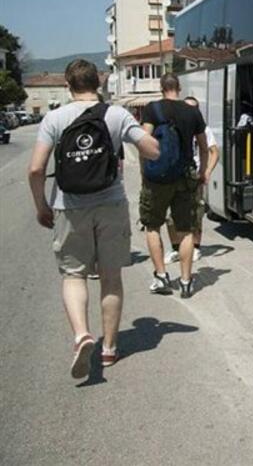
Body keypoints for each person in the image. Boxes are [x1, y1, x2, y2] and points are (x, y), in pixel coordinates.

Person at [27, 59, 160, 379]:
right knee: (111, 277)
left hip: (69, 206)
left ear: (68, 86)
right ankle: (110, 349)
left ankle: (82, 335)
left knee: (73, 276)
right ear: (99, 83)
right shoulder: (116, 114)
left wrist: (41, 205)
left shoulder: (54, 118)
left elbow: (35, 169)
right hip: (111, 203)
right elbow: (152, 150)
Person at [140, 74, 209, 299]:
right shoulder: (192, 111)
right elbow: (203, 145)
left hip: (157, 178)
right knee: (186, 229)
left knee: (152, 226)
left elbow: (144, 141)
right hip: (185, 176)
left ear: (161, 88)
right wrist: (203, 172)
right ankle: (186, 281)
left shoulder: (152, 109)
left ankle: (161, 276)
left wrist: (145, 170)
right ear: (179, 88)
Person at [165, 96, 219, 263]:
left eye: (194, 108)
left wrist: (207, 171)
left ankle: (195, 247)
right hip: (174, 174)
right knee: (170, 216)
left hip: (194, 174)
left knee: (196, 212)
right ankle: (175, 248)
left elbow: (214, 152)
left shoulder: (204, 129)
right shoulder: (172, 127)